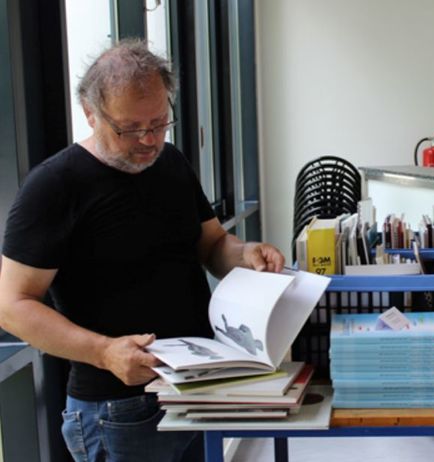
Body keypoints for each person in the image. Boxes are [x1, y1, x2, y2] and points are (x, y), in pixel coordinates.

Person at [0, 39, 284, 462]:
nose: (149, 140)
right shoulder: (54, 186)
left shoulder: (170, 162)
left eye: (160, 122)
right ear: (90, 113)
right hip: (117, 410)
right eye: (131, 128)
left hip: (194, 390)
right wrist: (103, 351)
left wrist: (246, 254)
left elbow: (212, 245)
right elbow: (12, 306)